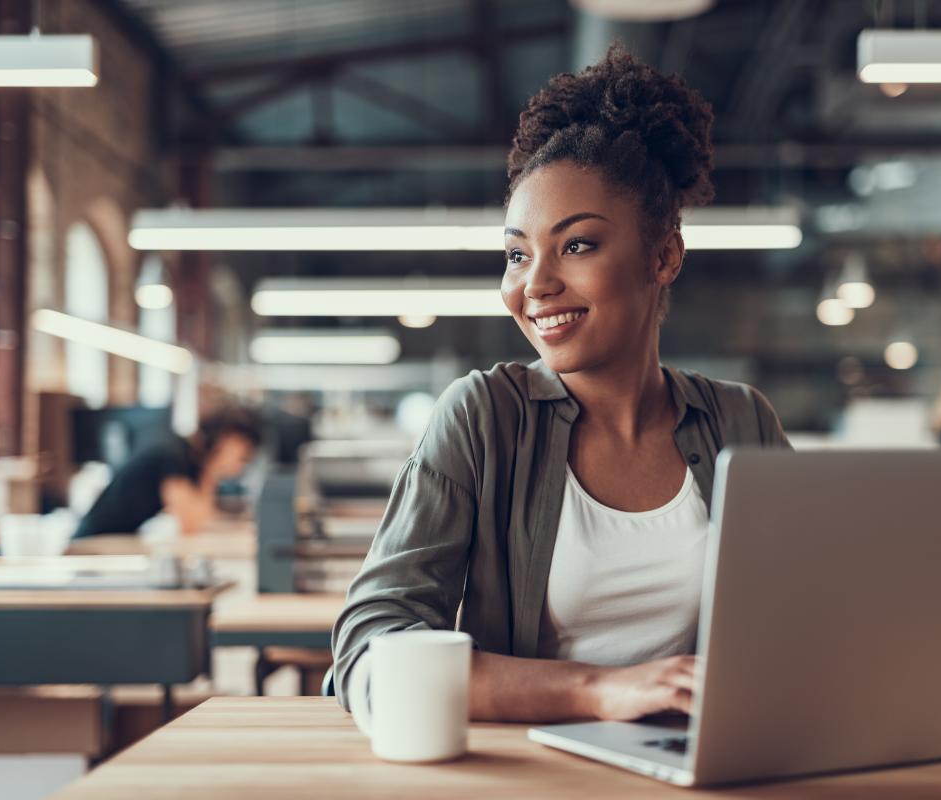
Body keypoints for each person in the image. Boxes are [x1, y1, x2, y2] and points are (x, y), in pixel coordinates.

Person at [331, 44, 790, 723]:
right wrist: (597, 691)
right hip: (532, 774)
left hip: (698, 768)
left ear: (663, 255)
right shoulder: (485, 417)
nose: (534, 285)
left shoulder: (741, 422)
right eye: (518, 253)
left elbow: (807, 627)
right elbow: (369, 649)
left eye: (576, 245)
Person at [72, 406, 263, 538]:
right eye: (242, 456)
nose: (240, 467)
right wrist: (212, 472)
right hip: (90, 543)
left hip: (113, 542)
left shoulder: (191, 461)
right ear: (224, 441)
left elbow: (205, 517)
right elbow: (192, 524)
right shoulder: (173, 454)